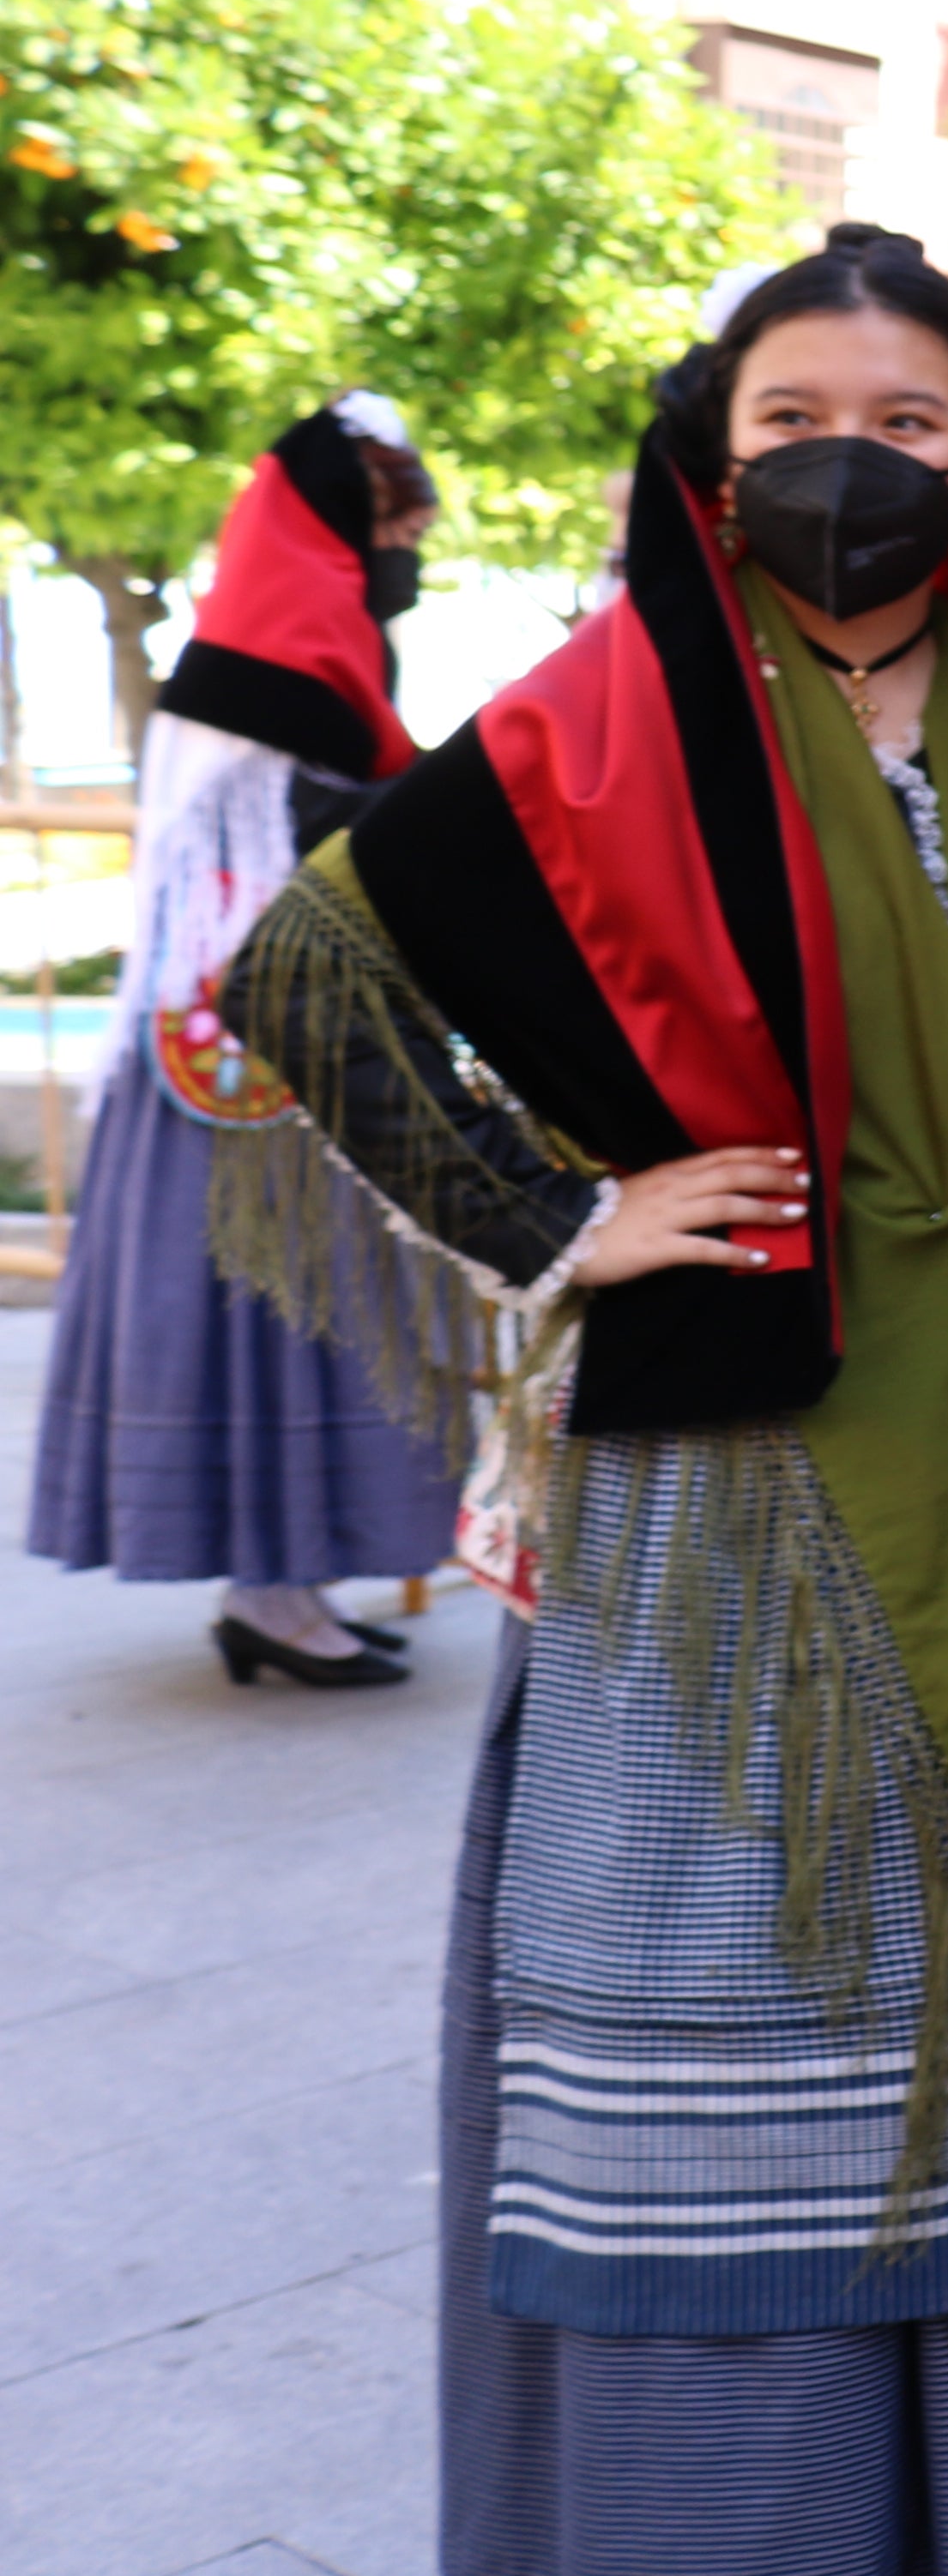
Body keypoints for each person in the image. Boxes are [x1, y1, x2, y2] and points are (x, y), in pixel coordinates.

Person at [211, 226, 948, 2576]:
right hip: (730, 1489)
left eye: (905, 431)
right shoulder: (604, 722)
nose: (845, 471)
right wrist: (565, 1216)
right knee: (735, 2007)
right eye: (791, 428)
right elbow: (299, 973)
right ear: (709, 456)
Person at [29, 394, 457, 1684]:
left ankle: (282, 1585)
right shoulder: (278, 658)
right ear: (340, 517)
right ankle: (274, 1594)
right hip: (261, 1055)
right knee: (281, 1301)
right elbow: (338, 830)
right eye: (398, 515)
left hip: (260, 1036)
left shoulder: (298, 643)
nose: (416, 541)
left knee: (282, 1305)